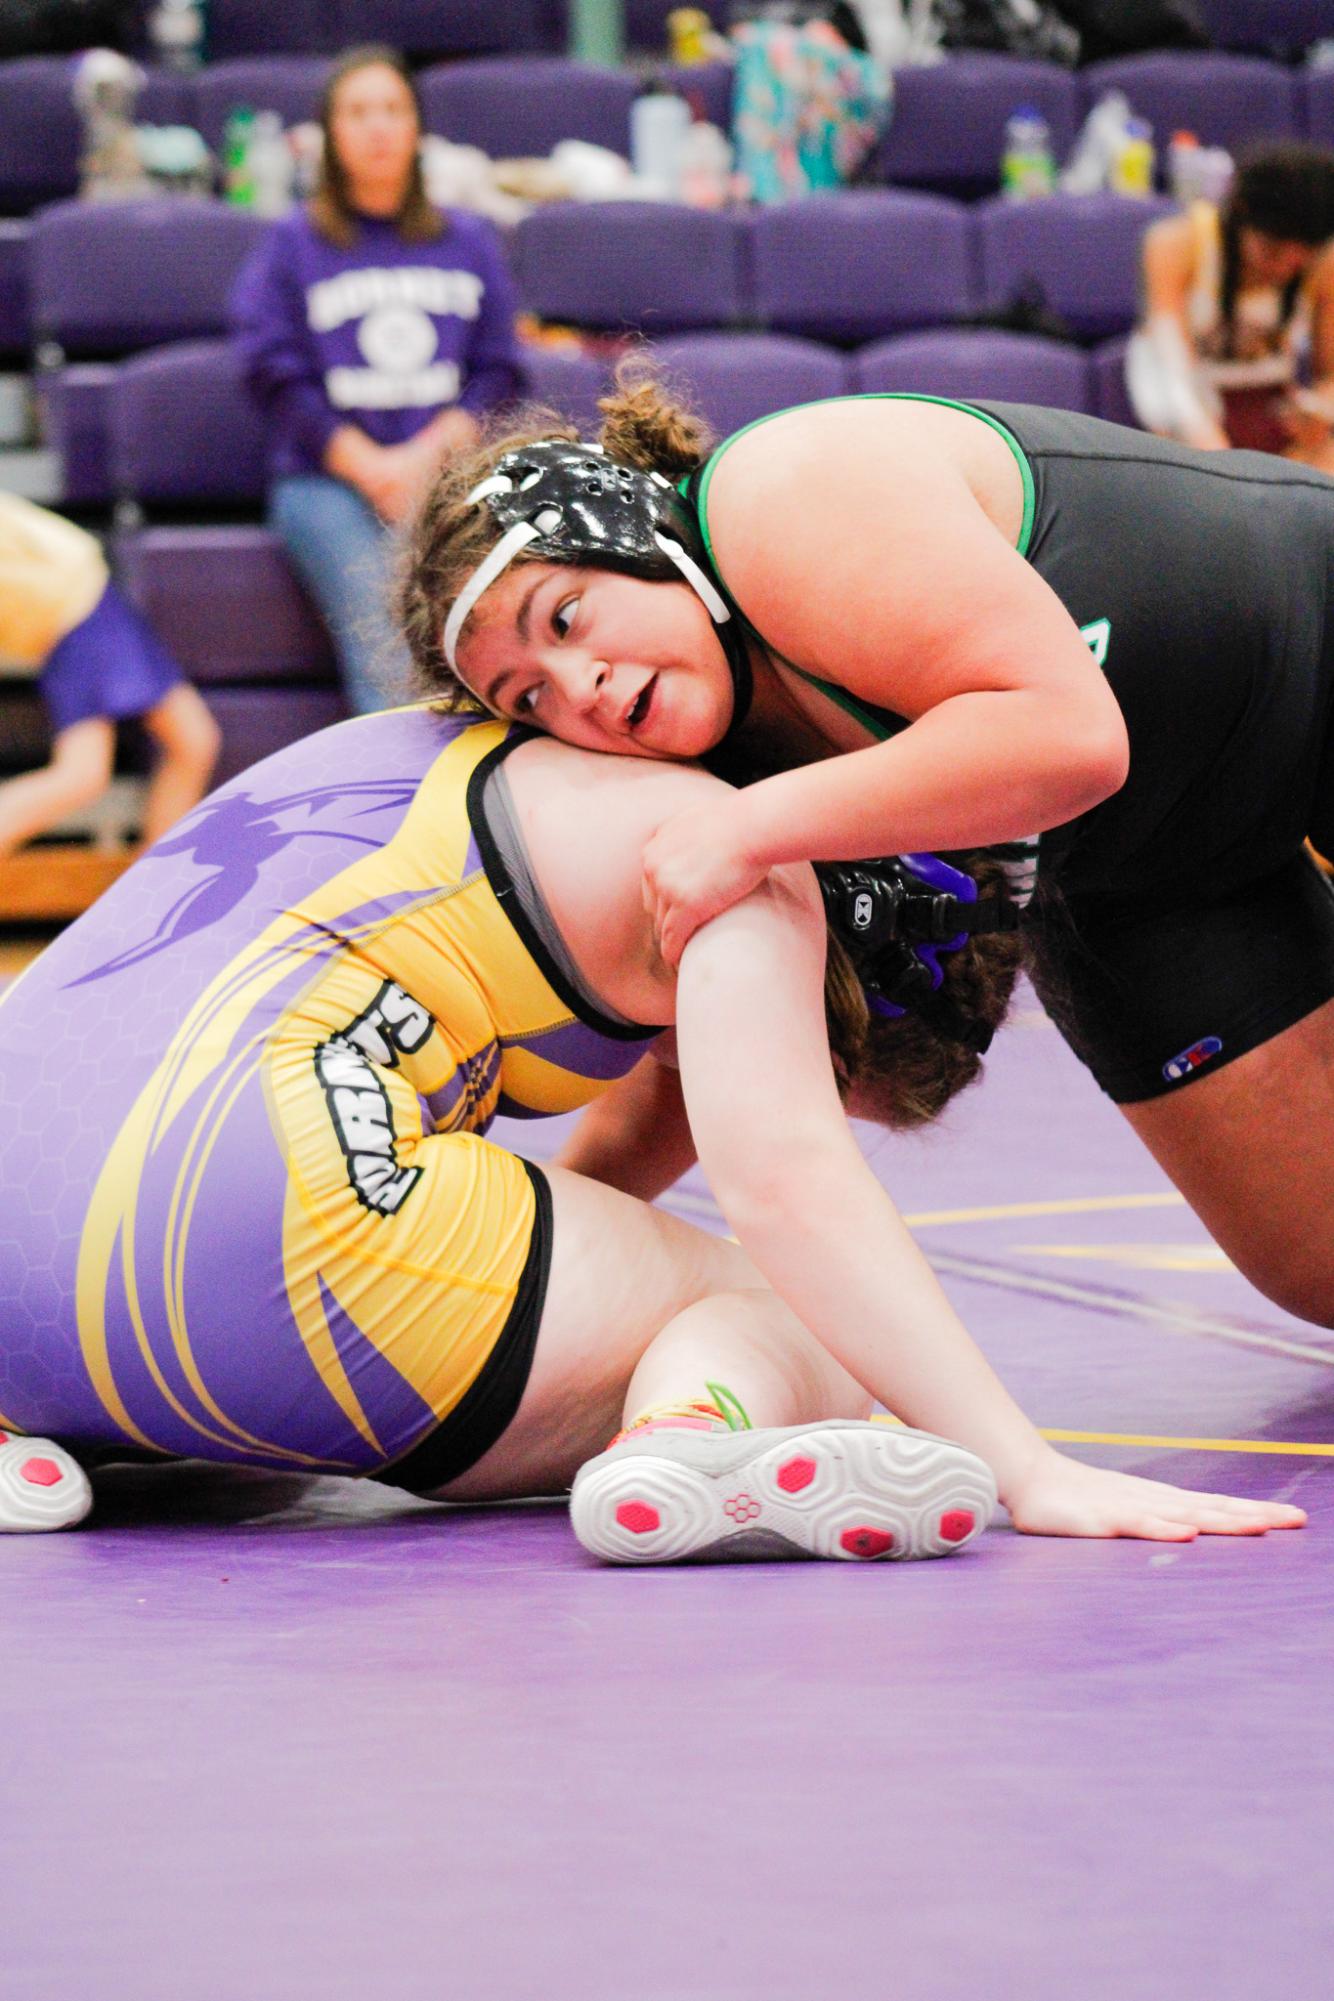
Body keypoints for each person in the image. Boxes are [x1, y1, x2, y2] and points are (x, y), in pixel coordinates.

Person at [0, 704, 1297, 1550]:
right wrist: (1019, 1464)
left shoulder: (443, 742)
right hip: (251, 1230)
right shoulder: (738, 868)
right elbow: (781, 1180)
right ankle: (693, 1435)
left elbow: (605, 1187)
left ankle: (28, 1436)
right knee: (806, 1311)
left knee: (231, 1416)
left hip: (20, 1245)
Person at [403, 375, 1334, 1343]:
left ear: (642, 542)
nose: (575, 689)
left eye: (563, 619)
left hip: (1303, 648)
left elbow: (1071, 740)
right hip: (1146, 876)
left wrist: (753, 827)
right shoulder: (701, 771)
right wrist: (523, 1253)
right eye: (526, 700)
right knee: (1316, 1265)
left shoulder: (779, 496)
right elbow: (714, 1062)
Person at [230, 44, 523, 716]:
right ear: (330, 134)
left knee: (491, 631)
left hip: (447, 473)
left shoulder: (469, 239)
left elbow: (499, 367)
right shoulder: (292, 244)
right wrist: (369, 467)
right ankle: (406, 813)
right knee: (390, 639)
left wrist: (424, 458)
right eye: (358, 112)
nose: (378, 126)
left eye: (393, 109)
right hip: (325, 482)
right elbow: (271, 371)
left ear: (418, 127)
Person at [0, 492, 219, 859]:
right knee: (83, 774)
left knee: (192, 740)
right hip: (74, 612)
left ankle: (153, 892)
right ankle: (152, 895)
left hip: (90, 599)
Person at [1128, 143, 1334, 463]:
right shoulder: (1178, 242)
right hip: (1185, 399)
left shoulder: (1323, 264)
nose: (1281, 269)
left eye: (1298, 264)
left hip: (1269, 405)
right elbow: (1171, 366)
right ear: (1239, 217)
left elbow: (1329, 378)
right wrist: (1213, 451)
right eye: (1271, 252)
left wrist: (1319, 407)